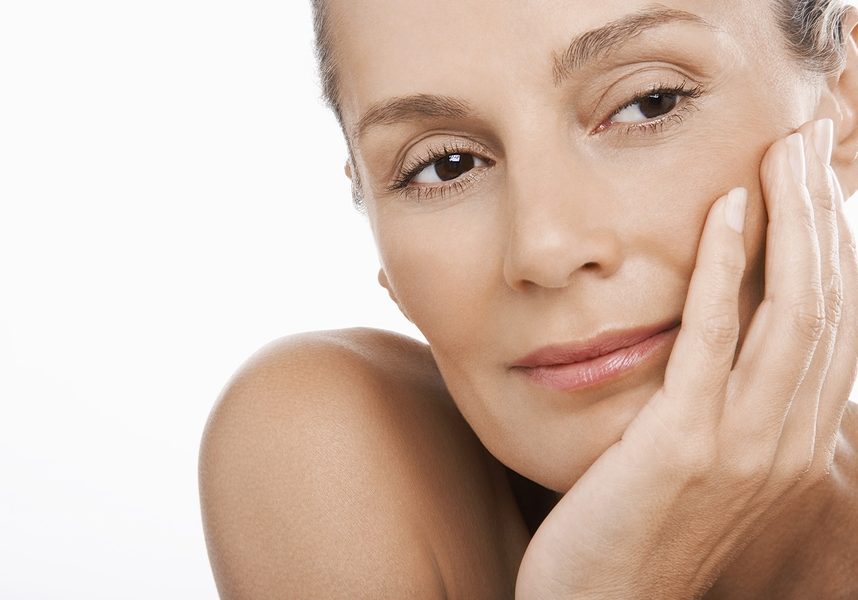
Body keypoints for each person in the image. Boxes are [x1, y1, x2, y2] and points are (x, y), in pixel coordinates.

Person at [198, 0, 858, 597]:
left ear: (844, 100)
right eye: (446, 166)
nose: (543, 249)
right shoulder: (327, 444)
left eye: (648, 103)